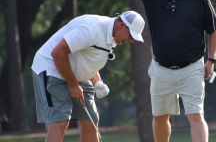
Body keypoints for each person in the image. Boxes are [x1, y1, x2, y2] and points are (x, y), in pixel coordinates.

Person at [126, 0, 216, 142]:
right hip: (161, 69)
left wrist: (211, 60)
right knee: (159, 117)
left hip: (192, 68)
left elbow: (213, 30)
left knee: (196, 115)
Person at [31, 10, 145, 142]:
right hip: (51, 67)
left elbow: (87, 59)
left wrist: (97, 82)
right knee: (60, 121)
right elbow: (57, 53)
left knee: (90, 121)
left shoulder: (112, 37)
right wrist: (73, 85)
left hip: (73, 73)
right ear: (121, 25)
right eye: (131, 35)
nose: (131, 40)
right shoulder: (92, 28)